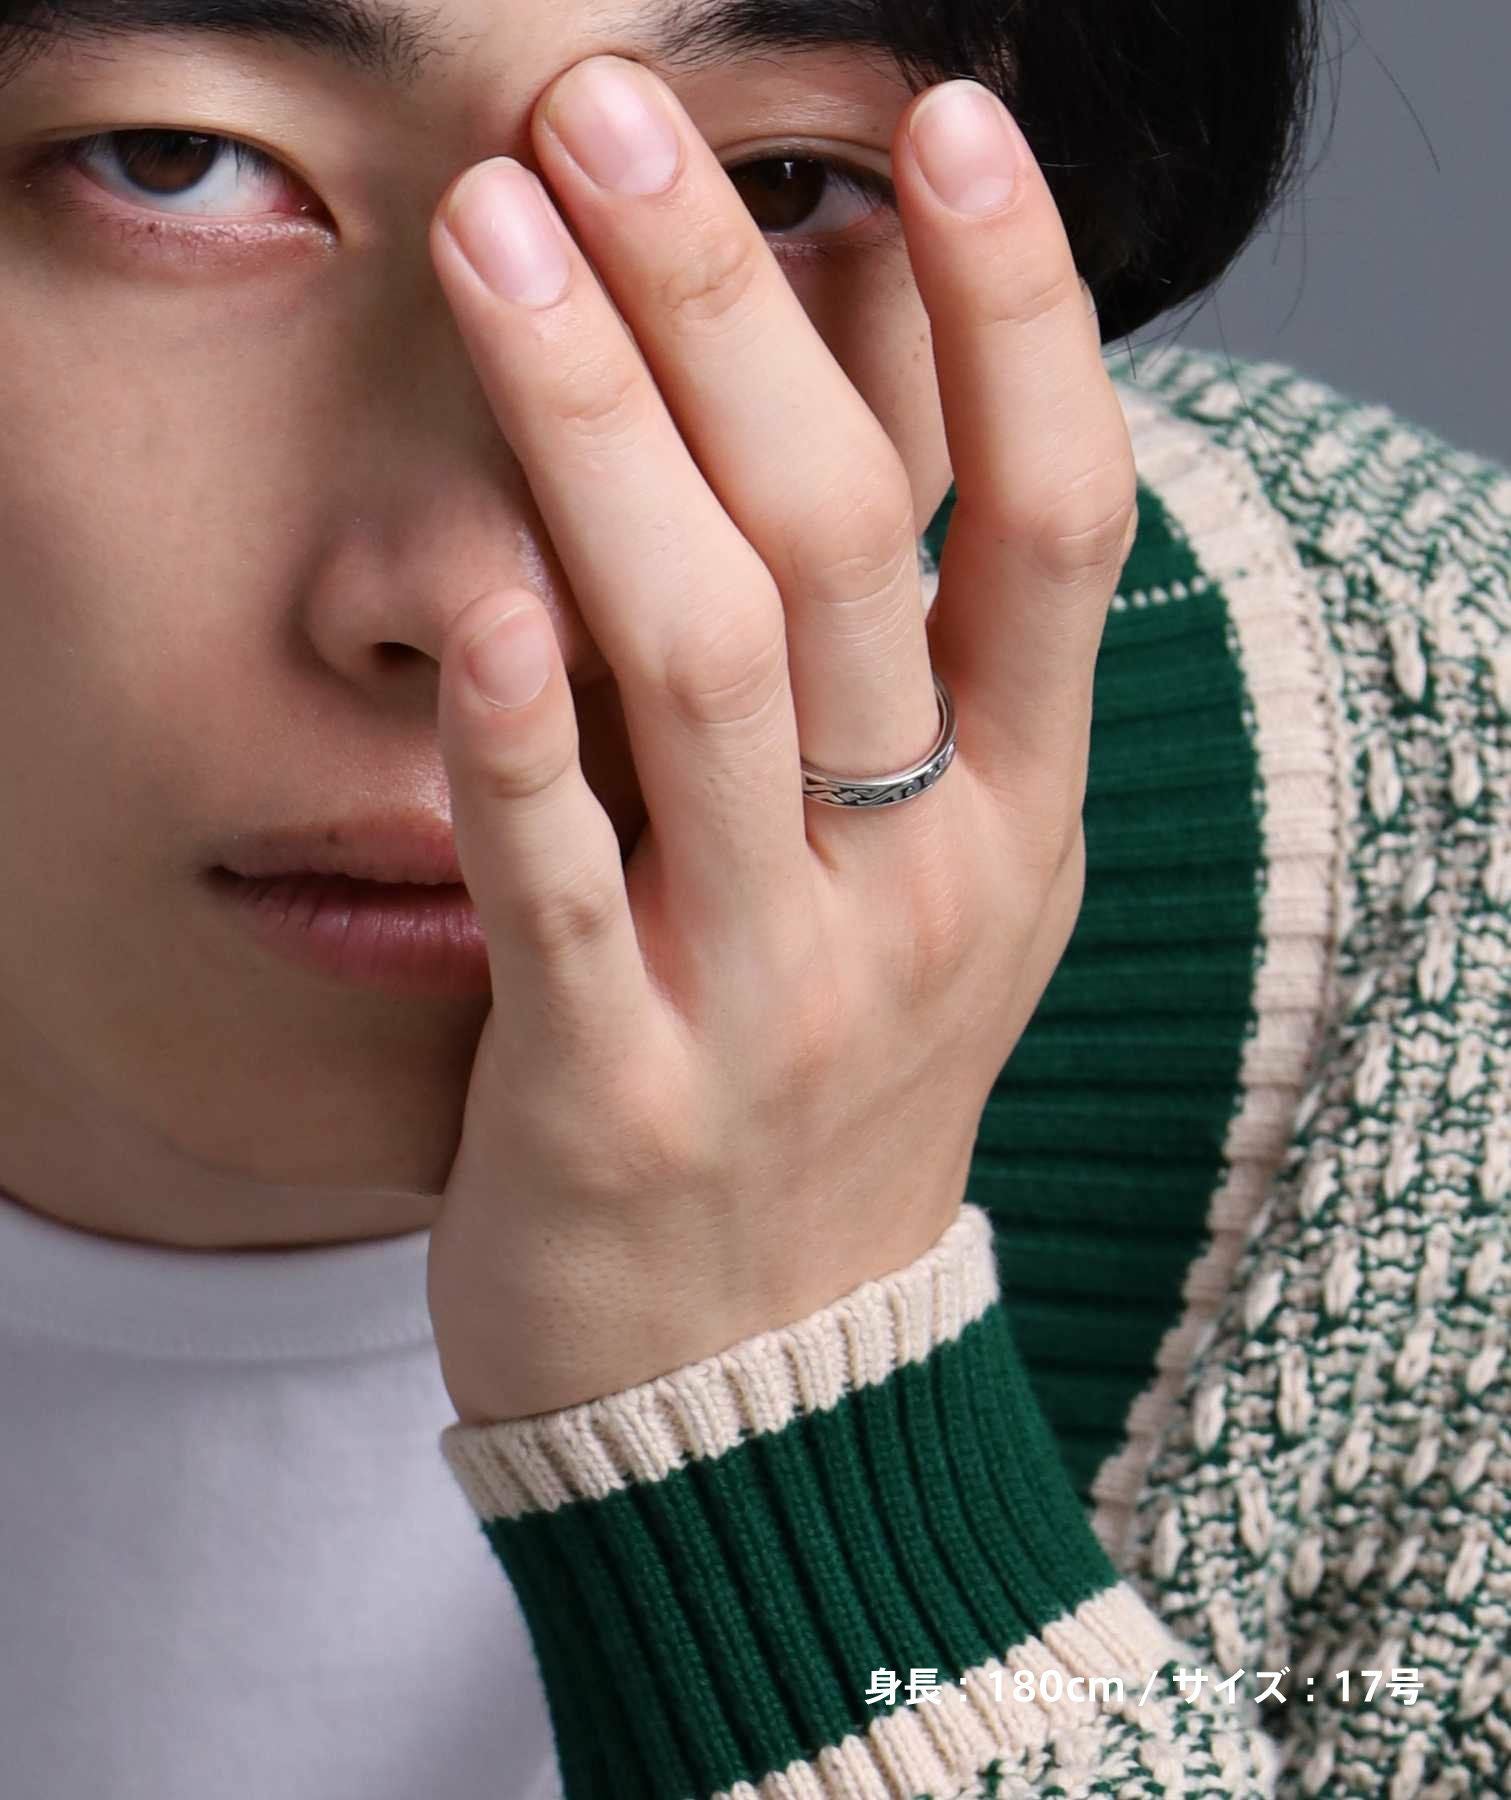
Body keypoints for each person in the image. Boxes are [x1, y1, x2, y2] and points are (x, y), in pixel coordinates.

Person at [0, 0, 1504, 1796]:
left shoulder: (1447, 815)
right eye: (172, 163)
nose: (496, 612)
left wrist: (803, 1455)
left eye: (782, 186)